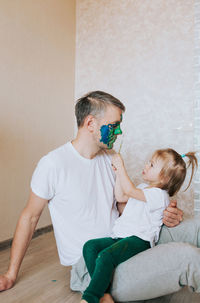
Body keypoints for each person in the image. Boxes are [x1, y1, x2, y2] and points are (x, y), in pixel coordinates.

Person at [0, 91, 183, 298]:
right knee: (186, 259)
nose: (120, 131)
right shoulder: (52, 164)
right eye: (115, 125)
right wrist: (10, 274)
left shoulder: (110, 158)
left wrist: (164, 211)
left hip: (120, 242)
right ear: (90, 124)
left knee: (190, 229)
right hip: (94, 261)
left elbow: (123, 207)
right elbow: (30, 217)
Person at [80, 149, 198, 303]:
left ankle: (90, 297)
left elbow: (129, 190)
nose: (146, 165)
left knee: (106, 256)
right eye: (148, 162)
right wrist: (117, 174)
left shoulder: (159, 195)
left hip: (139, 239)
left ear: (165, 177)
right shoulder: (142, 187)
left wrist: (122, 168)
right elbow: (121, 196)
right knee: (90, 247)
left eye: (152, 164)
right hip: (121, 236)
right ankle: (105, 295)